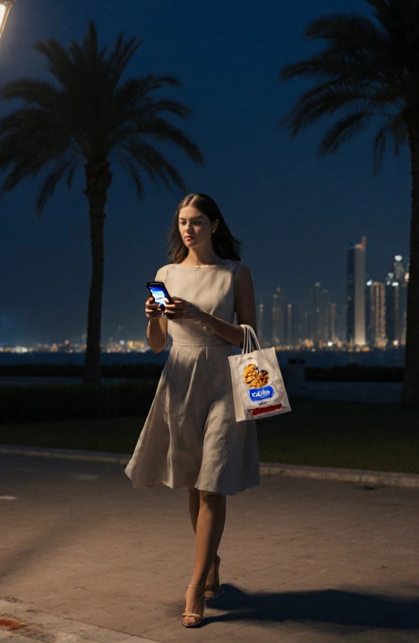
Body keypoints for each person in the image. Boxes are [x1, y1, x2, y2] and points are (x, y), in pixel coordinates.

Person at [125, 192, 260, 628]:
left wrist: (201, 316)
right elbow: (158, 343)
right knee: (191, 480)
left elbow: (248, 337)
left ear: (214, 225)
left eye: (198, 221)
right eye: (183, 221)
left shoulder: (235, 273)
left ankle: (195, 583)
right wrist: (151, 317)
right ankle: (212, 561)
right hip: (180, 379)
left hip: (223, 381)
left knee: (212, 484)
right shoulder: (165, 275)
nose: (189, 228)